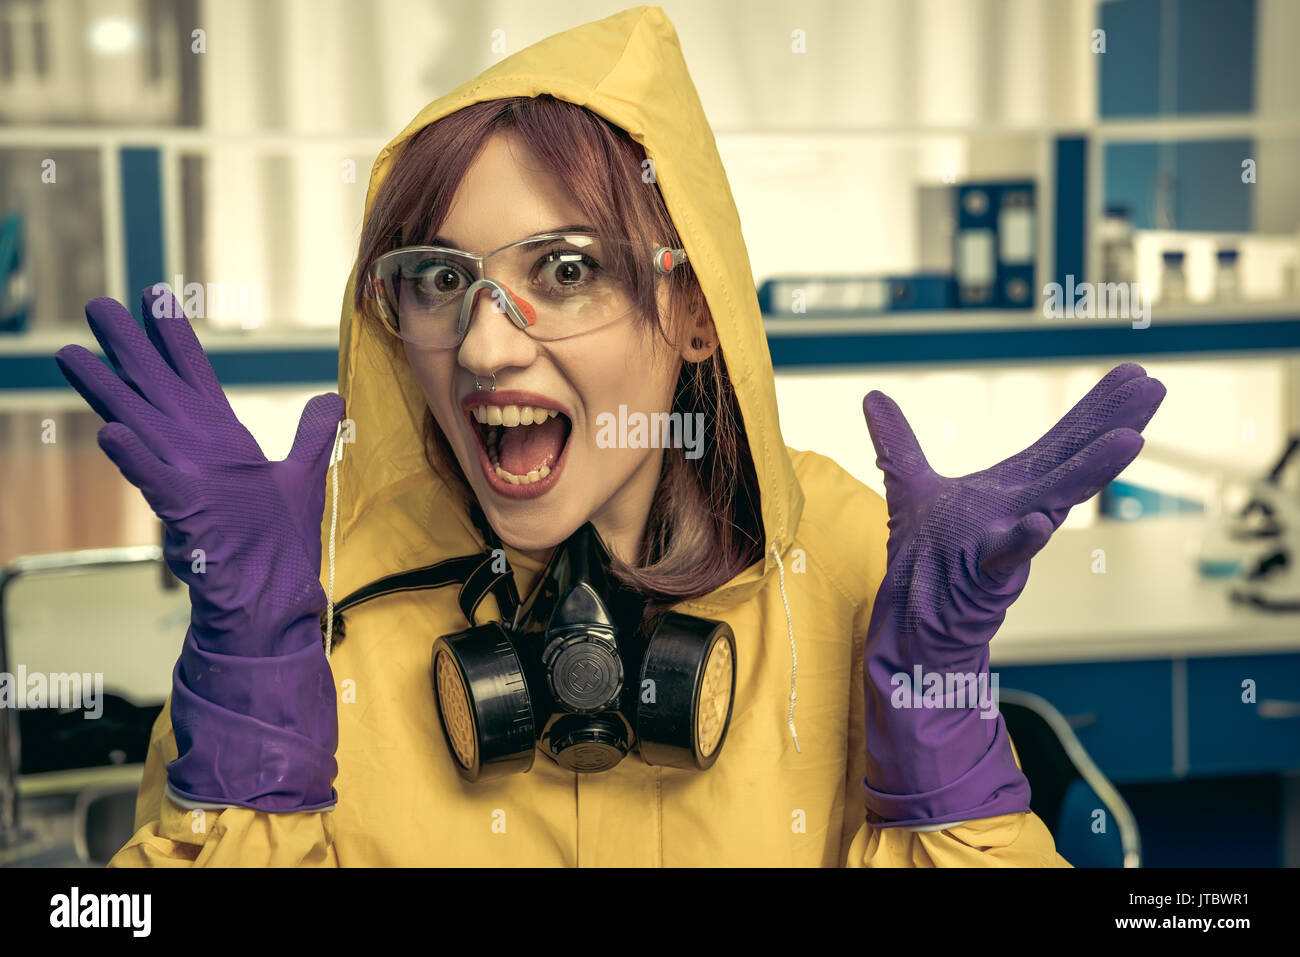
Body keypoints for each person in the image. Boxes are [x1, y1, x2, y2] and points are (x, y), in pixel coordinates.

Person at [55, 6, 1164, 866]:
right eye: (439, 280)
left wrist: (940, 727)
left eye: (566, 269)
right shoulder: (317, 592)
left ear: (694, 310)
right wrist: (250, 690)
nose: (485, 351)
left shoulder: (848, 564)